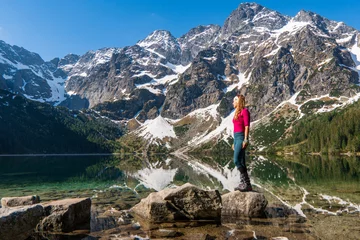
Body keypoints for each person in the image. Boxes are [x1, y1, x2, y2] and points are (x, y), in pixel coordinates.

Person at [232, 94, 252, 192]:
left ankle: (246, 183)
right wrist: (233, 142)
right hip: (236, 138)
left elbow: (247, 126)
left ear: (238, 101)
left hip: (241, 137)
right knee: (242, 162)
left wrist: (246, 139)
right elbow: (235, 128)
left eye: (234, 100)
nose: (233, 102)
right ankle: (245, 184)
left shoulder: (245, 111)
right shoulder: (236, 112)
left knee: (236, 160)